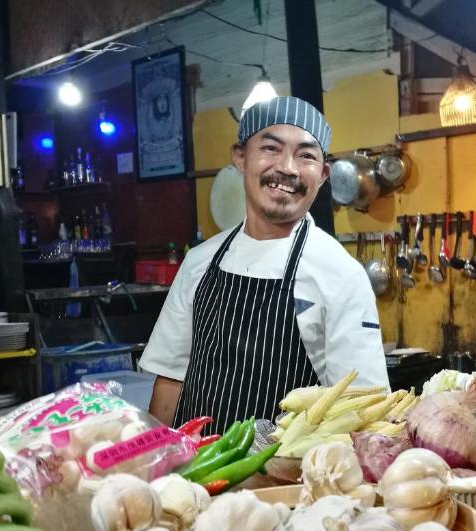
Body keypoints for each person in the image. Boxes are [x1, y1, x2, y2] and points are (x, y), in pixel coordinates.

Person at [140, 96, 389, 433]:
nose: (288, 168)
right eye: (271, 148)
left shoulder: (340, 276)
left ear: (324, 173)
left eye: (306, 155)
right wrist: (152, 466)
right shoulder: (200, 262)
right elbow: (170, 379)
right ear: (241, 157)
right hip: (192, 475)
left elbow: (362, 411)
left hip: (283, 481)